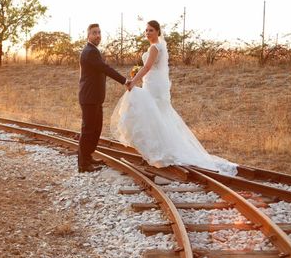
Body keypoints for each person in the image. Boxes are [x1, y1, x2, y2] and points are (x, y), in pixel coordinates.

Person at [111, 20, 237, 175]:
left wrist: (133, 81)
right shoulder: (161, 46)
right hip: (155, 83)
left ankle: (157, 149)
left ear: (158, 31)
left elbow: (147, 66)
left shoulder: (155, 47)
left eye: (151, 30)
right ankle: (157, 148)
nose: (148, 33)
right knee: (158, 116)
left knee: (149, 112)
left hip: (153, 86)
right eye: (146, 30)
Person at [78, 23, 132, 173]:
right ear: (88, 35)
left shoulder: (93, 51)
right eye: (94, 33)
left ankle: (88, 157)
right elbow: (105, 69)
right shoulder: (90, 52)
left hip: (94, 97)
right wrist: (124, 81)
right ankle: (83, 164)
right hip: (89, 97)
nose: (97, 35)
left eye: (99, 33)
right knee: (88, 130)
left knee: (95, 129)